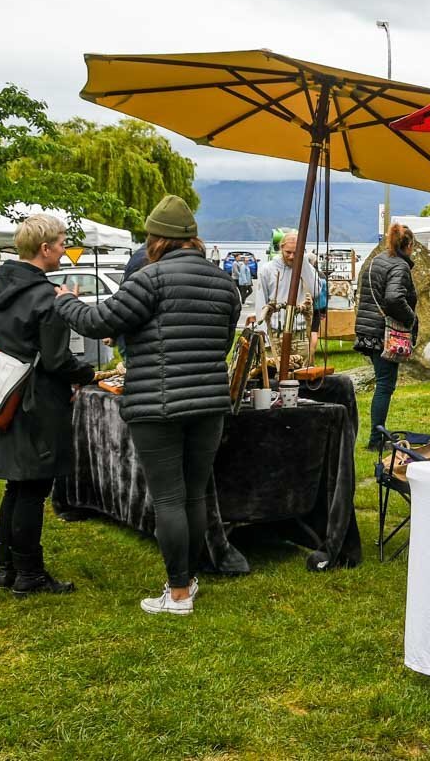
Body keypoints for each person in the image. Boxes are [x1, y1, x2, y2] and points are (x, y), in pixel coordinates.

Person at [53, 195, 241, 616]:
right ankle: (188, 580)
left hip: (157, 404)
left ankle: (177, 594)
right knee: (193, 495)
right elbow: (224, 342)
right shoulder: (225, 283)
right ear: (192, 237)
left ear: (157, 238)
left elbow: (99, 322)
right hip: (209, 401)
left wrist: (65, 299)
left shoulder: (149, 279)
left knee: (169, 498)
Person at [0, 214, 98, 596]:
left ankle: (7, 568)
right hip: (37, 399)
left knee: (16, 486)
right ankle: (28, 574)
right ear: (45, 249)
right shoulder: (47, 298)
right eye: (62, 243)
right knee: (32, 487)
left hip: (3, 391)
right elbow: (57, 360)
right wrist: (88, 374)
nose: (65, 250)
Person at [355, 224, 418, 447]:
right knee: (385, 385)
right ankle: (376, 439)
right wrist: (411, 318)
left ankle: (377, 435)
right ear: (409, 245)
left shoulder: (378, 260)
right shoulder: (400, 266)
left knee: (383, 383)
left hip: (368, 330)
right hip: (384, 333)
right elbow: (393, 298)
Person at [253, 232, 320, 361]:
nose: (291, 256)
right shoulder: (267, 270)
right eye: (288, 252)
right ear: (281, 248)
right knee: (274, 374)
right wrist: (264, 336)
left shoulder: (307, 268)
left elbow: (315, 291)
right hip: (275, 334)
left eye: (296, 253)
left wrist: (303, 262)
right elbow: (261, 304)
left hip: (300, 335)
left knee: (302, 376)